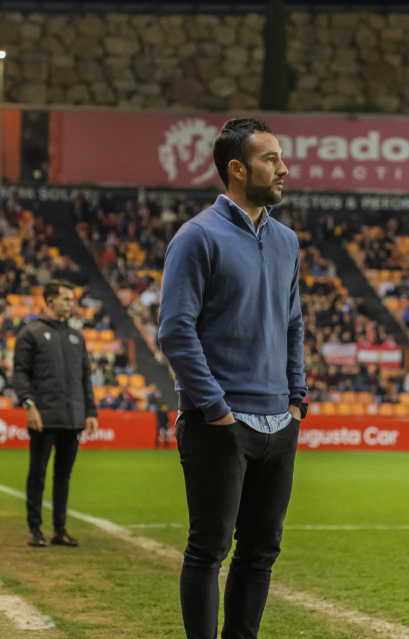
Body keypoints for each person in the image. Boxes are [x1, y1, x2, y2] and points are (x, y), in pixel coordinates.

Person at [157, 117, 307, 639]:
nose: (284, 169)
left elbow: (293, 323)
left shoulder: (286, 241)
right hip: (219, 424)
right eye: (272, 159)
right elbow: (175, 330)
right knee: (209, 550)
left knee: (261, 552)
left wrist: (296, 399)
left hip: (278, 423)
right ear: (238, 169)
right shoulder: (197, 236)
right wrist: (216, 409)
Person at [13, 279, 98, 548]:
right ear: (50, 300)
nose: (71, 304)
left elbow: (85, 378)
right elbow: (20, 374)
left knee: (63, 476)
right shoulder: (30, 333)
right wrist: (29, 405)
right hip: (44, 416)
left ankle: (59, 530)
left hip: (73, 418)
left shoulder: (76, 337)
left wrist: (91, 411)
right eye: (66, 299)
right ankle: (34, 530)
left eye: (72, 299)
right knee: (37, 474)